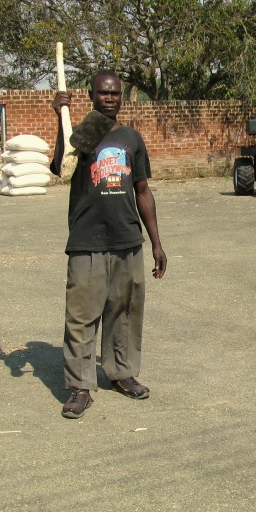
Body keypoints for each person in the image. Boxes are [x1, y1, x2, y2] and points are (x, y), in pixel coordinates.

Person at [50, 70, 167, 420]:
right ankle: (80, 387)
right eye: (103, 93)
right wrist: (61, 120)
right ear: (91, 95)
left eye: (115, 93)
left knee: (126, 312)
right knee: (82, 316)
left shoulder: (132, 138)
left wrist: (156, 243)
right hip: (87, 240)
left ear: (122, 97)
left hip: (127, 239)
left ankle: (121, 372)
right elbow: (61, 168)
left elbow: (143, 191)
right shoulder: (81, 134)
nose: (110, 98)